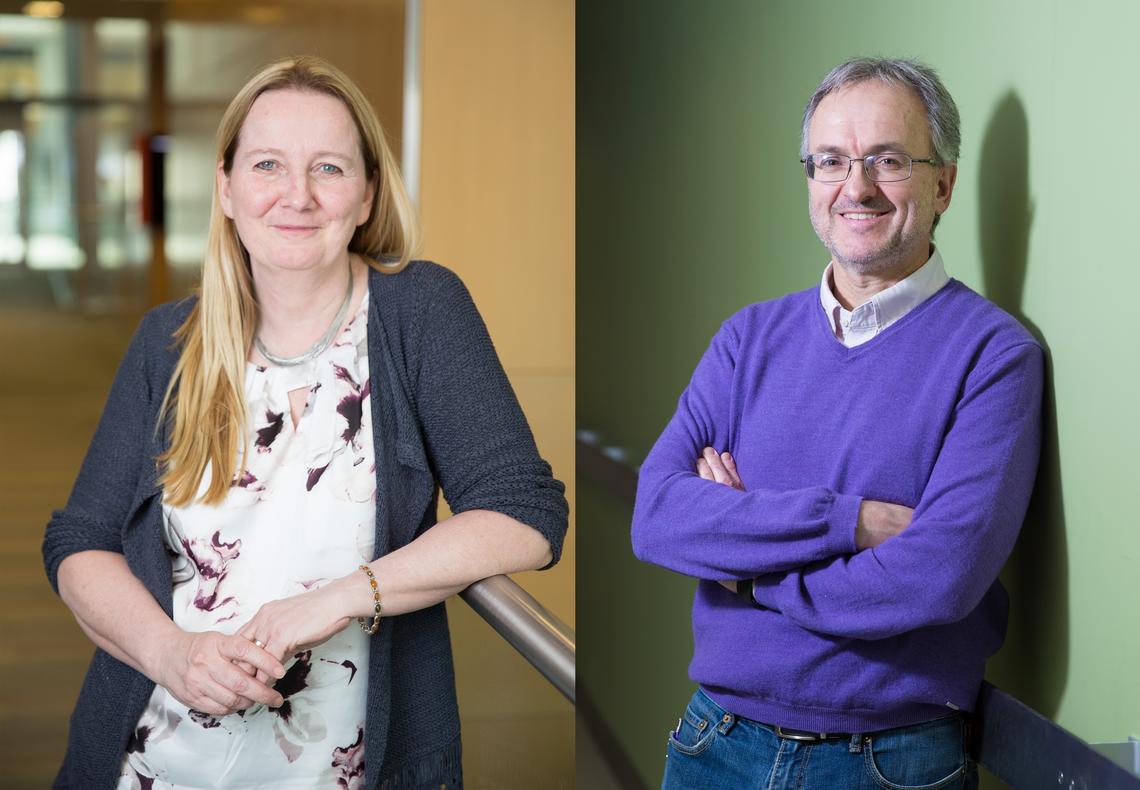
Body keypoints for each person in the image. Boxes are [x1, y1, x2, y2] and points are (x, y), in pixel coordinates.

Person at [42, 56, 567, 789]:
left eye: (328, 168)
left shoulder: (419, 312)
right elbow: (80, 541)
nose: (297, 196)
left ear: (366, 194)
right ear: (224, 186)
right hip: (149, 761)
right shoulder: (169, 343)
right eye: (267, 165)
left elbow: (524, 514)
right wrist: (169, 654)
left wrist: (331, 602)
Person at [631, 57, 1043, 789]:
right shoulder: (746, 338)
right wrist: (848, 523)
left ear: (942, 182)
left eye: (887, 160)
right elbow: (658, 516)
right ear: (811, 180)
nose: (856, 188)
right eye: (830, 161)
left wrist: (747, 566)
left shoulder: (995, 356)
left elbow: (935, 580)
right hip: (714, 745)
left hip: (890, 762)